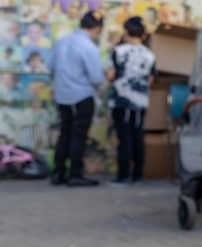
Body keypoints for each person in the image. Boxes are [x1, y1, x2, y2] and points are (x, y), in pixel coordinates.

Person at [50, 10, 105, 186]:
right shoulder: (89, 47)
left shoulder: (61, 42)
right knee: (79, 135)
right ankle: (75, 174)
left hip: (62, 95)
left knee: (64, 133)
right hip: (82, 96)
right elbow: (96, 78)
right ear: (97, 29)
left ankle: (58, 173)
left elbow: (51, 66)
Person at [107, 16, 157, 186]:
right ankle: (138, 175)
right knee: (137, 136)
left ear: (126, 32)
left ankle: (123, 176)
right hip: (141, 102)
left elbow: (111, 75)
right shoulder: (149, 54)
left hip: (121, 101)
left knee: (124, 138)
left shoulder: (119, 51)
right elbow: (150, 79)